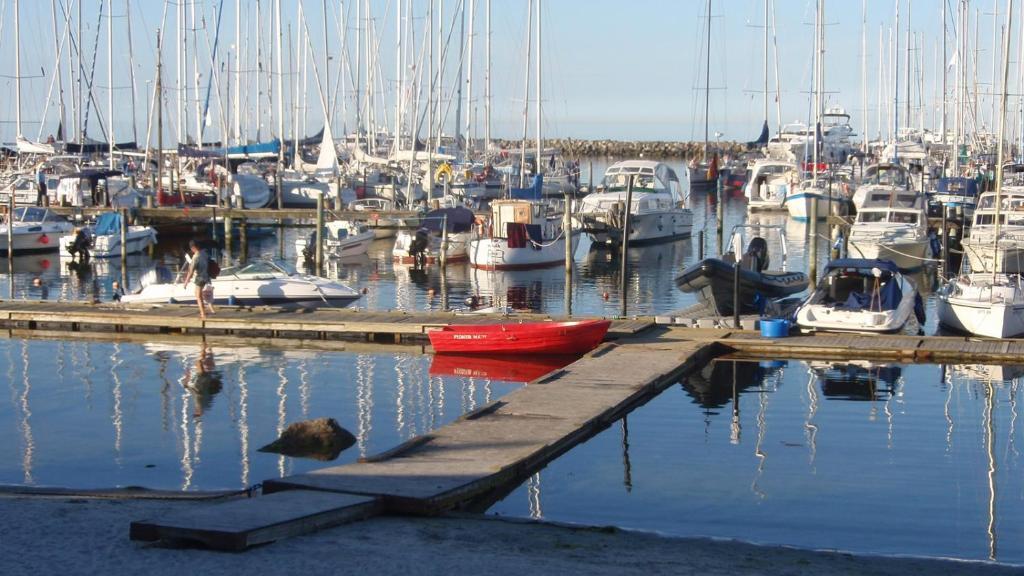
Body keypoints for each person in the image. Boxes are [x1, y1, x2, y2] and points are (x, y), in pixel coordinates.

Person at [181, 239, 215, 319]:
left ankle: (203, 314)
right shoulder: (204, 253)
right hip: (206, 276)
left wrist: (186, 282)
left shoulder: (195, 257)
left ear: (193, 248)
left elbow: (190, 271)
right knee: (202, 294)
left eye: (191, 248)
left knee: (198, 296)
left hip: (199, 278)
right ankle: (207, 310)